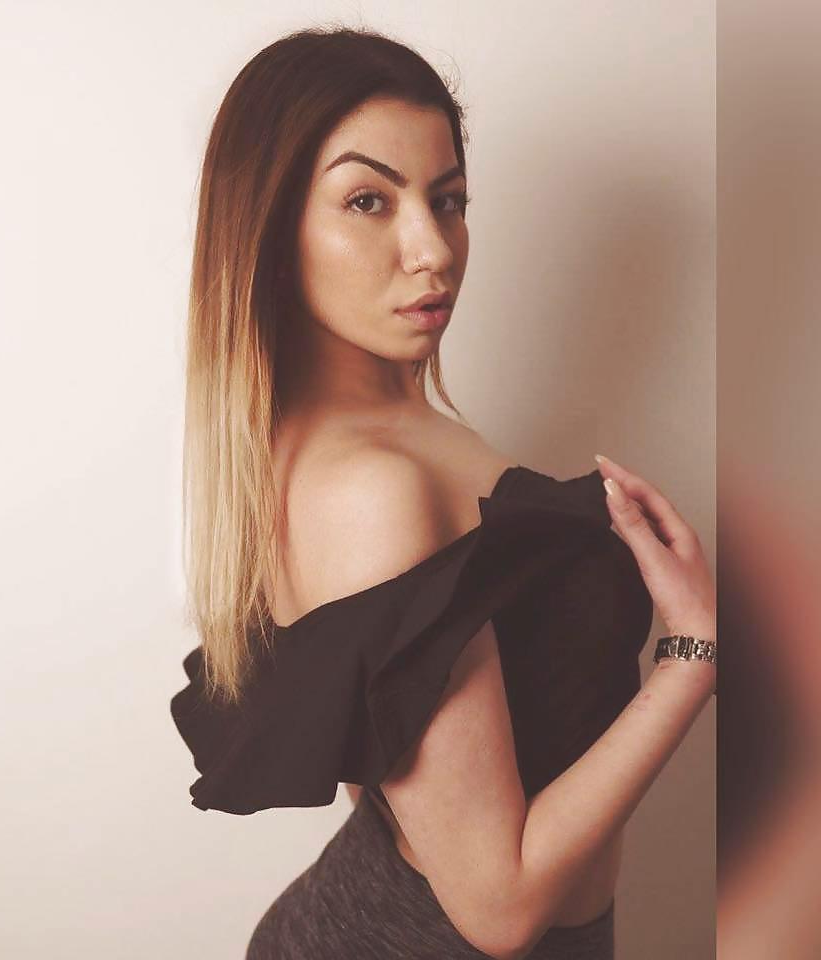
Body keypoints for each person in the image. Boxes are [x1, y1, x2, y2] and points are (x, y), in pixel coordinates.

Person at [170, 25, 716, 959]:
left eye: (448, 199)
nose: (433, 249)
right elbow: (497, 909)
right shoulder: (368, 488)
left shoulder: (399, 425)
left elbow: (380, 754)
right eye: (368, 201)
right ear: (271, 229)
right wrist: (690, 654)